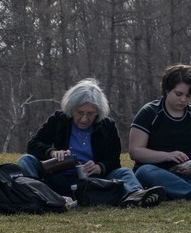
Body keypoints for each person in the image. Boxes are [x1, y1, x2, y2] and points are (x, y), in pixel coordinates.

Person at [17, 78, 165, 208]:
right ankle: (36, 195)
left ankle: (136, 195)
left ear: (98, 113)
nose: (84, 119)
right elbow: (33, 144)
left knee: (124, 172)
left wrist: (99, 167)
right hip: (59, 176)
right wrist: (52, 152)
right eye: (80, 113)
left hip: (92, 180)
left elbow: (114, 163)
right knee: (26, 160)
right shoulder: (58, 120)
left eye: (90, 114)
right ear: (71, 109)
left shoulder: (107, 126)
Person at [129, 64, 191, 202]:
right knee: (144, 172)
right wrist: (167, 156)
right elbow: (135, 152)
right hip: (155, 172)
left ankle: (169, 192)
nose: (183, 100)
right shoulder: (149, 113)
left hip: (186, 175)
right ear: (166, 90)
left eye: (188, 96)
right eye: (178, 94)